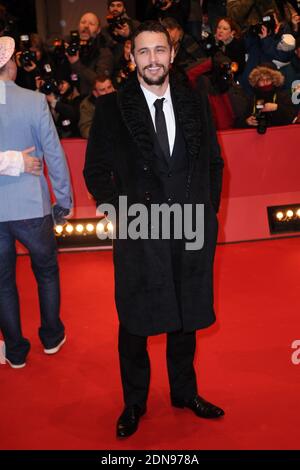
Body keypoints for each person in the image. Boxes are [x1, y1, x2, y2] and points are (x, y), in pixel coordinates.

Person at [84, 21, 224, 438]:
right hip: (140, 235)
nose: (152, 60)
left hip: (189, 230)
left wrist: (207, 212)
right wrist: (122, 216)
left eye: (159, 51)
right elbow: (96, 172)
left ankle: (184, 392)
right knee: (135, 322)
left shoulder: (194, 102)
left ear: (172, 54)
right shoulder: (112, 109)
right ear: (131, 58)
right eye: (143, 52)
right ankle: (134, 403)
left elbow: (214, 164)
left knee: (186, 317)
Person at [0, 36, 73, 369]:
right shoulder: (34, 101)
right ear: (11, 66)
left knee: (2, 283)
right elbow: (54, 155)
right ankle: (51, 336)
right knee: (46, 272)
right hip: (31, 206)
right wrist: (64, 199)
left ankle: (15, 351)